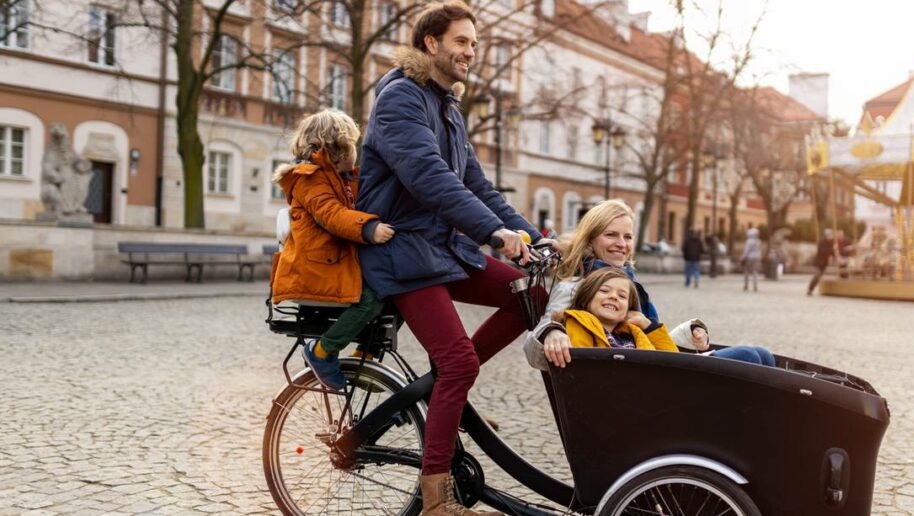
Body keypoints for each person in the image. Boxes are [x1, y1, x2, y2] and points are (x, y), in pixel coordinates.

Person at [355, 3, 550, 514]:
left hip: (442, 249)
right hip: (401, 251)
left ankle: (446, 391)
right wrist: (493, 233)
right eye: (462, 42)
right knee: (460, 360)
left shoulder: (447, 107)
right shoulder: (400, 99)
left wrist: (537, 238)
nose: (471, 52)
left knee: (532, 294)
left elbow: (477, 185)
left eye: (474, 44)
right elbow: (429, 179)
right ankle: (437, 495)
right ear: (431, 44)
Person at [524, 200, 774, 370]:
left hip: (651, 363)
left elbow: (645, 337)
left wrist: (689, 332)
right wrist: (553, 332)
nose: (621, 243)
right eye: (611, 235)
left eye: (628, 236)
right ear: (589, 240)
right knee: (750, 357)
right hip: (640, 376)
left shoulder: (625, 278)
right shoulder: (577, 281)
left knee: (763, 354)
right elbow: (542, 333)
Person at [270, 109, 395, 391]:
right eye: (353, 145)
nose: (356, 152)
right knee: (372, 298)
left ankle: (367, 352)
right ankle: (323, 351)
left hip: (333, 263)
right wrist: (368, 228)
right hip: (316, 270)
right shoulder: (309, 179)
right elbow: (331, 214)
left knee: (397, 287)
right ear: (336, 149)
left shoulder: (339, 178)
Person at [548, 268, 775, 367]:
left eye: (621, 296)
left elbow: (670, 358)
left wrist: (648, 326)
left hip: (667, 379)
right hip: (659, 391)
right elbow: (587, 368)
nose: (613, 298)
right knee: (748, 355)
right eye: (605, 291)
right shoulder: (578, 322)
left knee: (763, 354)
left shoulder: (629, 331)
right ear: (587, 297)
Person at [807, 228, 834, 295]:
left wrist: (834, 251)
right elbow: (823, 251)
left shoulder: (830, 242)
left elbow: (831, 253)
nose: (831, 236)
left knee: (819, 277)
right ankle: (810, 289)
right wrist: (832, 250)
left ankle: (811, 289)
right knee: (817, 275)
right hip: (819, 262)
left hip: (824, 263)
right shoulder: (822, 242)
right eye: (830, 234)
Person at [741, 226, 761, 292]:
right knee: (755, 272)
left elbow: (746, 250)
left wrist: (743, 257)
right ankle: (755, 286)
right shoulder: (758, 241)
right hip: (756, 257)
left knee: (747, 271)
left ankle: (746, 285)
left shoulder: (748, 241)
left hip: (749, 257)